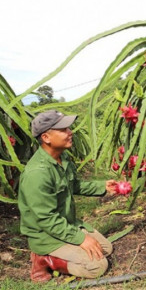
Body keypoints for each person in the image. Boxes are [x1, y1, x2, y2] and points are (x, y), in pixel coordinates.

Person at [18, 110, 118, 282]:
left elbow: (74, 185)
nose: (70, 132)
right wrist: (80, 239)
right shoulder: (37, 173)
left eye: (68, 127)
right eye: (63, 129)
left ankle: (68, 247)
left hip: (66, 224)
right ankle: (43, 259)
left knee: (105, 248)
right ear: (46, 138)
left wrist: (102, 186)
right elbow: (46, 219)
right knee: (97, 266)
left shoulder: (62, 158)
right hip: (46, 235)